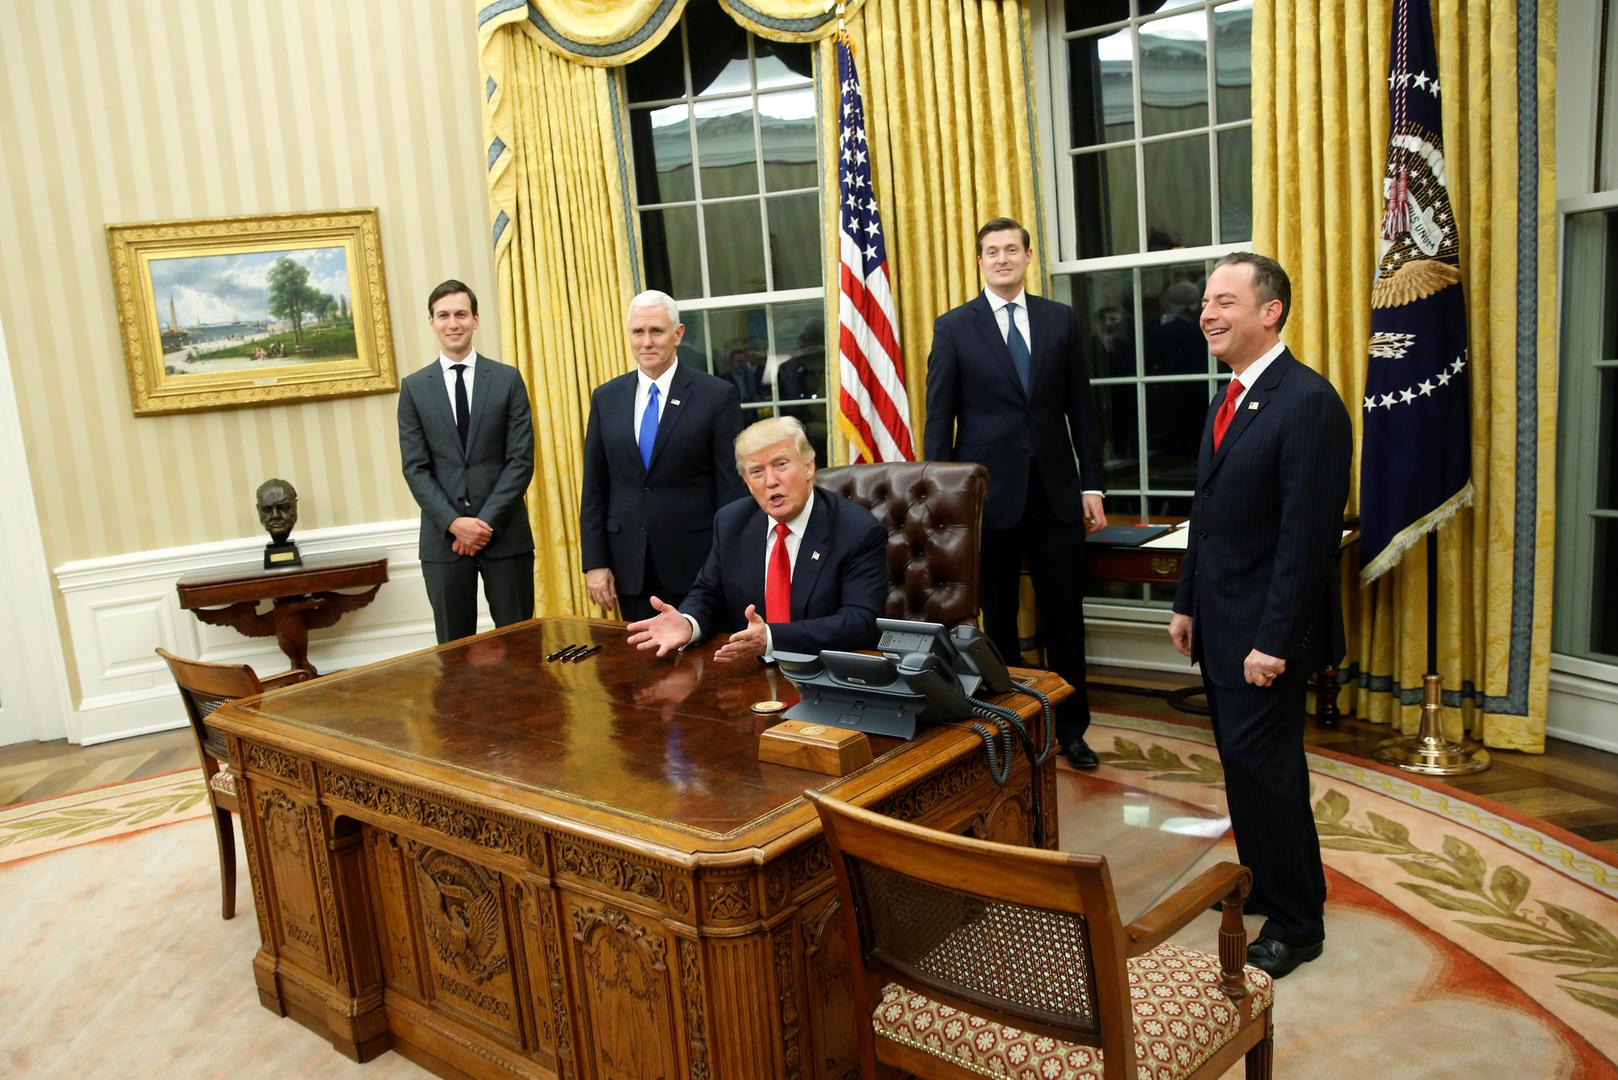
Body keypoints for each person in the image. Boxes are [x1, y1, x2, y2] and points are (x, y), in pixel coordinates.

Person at [1168, 252, 1351, 979]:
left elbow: (1307, 540)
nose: (1207, 314)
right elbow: (1207, 513)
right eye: (1205, 303)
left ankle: (1299, 923)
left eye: (1225, 301)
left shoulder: (1307, 401)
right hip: (1220, 621)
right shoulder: (1233, 396)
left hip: (1265, 635)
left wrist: (1273, 641)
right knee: (1244, 770)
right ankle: (1269, 886)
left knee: (1270, 775)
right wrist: (1186, 601)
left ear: (1270, 312)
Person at [923, 216, 1108, 768]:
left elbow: (1083, 410)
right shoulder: (954, 327)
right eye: (992, 251)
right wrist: (942, 501)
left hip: (1055, 495)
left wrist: (1093, 484)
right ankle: (1012, 727)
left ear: (1029, 256)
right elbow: (939, 422)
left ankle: (1072, 730)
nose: (1002, 259)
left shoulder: (1060, 320)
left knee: (1064, 618)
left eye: (1011, 249)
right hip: (985, 502)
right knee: (997, 623)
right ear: (980, 261)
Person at [626, 416, 887, 662]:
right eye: (757, 471)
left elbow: (861, 621)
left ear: (808, 467)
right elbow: (708, 593)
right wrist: (688, 623)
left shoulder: (857, 531)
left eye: (781, 464)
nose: (771, 481)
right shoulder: (731, 522)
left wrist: (771, 638)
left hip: (823, 669)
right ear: (747, 483)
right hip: (747, 669)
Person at [580, 291, 746, 622]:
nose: (646, 342)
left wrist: (727, 561)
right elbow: (594, 488)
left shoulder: (716, 396)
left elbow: (731, 490)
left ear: (678, 334)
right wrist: (595, 563)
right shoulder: (606, 398)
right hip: (629, 566)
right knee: (637, 653)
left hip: (697, 566)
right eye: (638, 332)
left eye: (656, 331)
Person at [397, 279, 536, 644]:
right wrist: (455, 524)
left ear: (475, 319)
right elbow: (415, 467)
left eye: (461, 314)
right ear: (431, 322)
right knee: (454, 652)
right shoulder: (414, 388)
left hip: (505, 536)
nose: (453, 323)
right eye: (443, 315)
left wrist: (483, 524)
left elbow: (521, 460)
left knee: (520, 647)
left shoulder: (507, 379)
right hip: (443, 542)